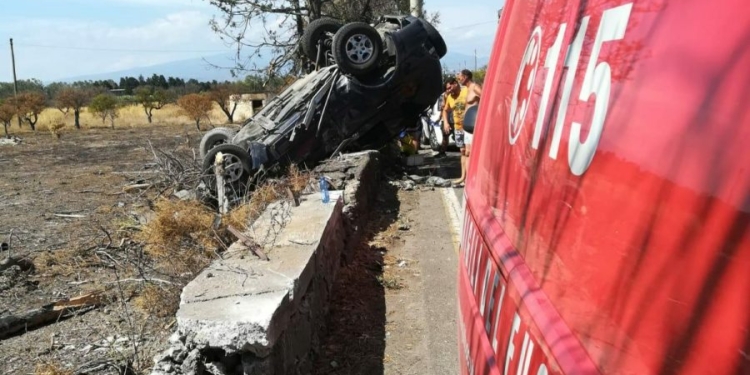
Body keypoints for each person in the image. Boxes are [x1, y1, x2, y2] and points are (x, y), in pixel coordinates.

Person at [442, 76, 468, 185]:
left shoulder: (466, 91)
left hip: (470, 127)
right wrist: (446, 123)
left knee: (470, 152)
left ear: (455, 83)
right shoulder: (450, 97)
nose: (448, 91)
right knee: (462, 151)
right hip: (458, 128)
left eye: (449, 88)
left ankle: (472, 176)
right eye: (447, 89)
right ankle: (463, 177)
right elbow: (445, 110)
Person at [457, 69, 482, 176]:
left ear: (466, 76)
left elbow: (485, 99)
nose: (458, 78)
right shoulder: (467, 89)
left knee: (471, 153)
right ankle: (466, 178)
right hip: (466, 126)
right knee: (467, 152)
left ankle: (473, 177)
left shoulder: (475, 87)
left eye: (460, 76)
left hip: (473, 126)